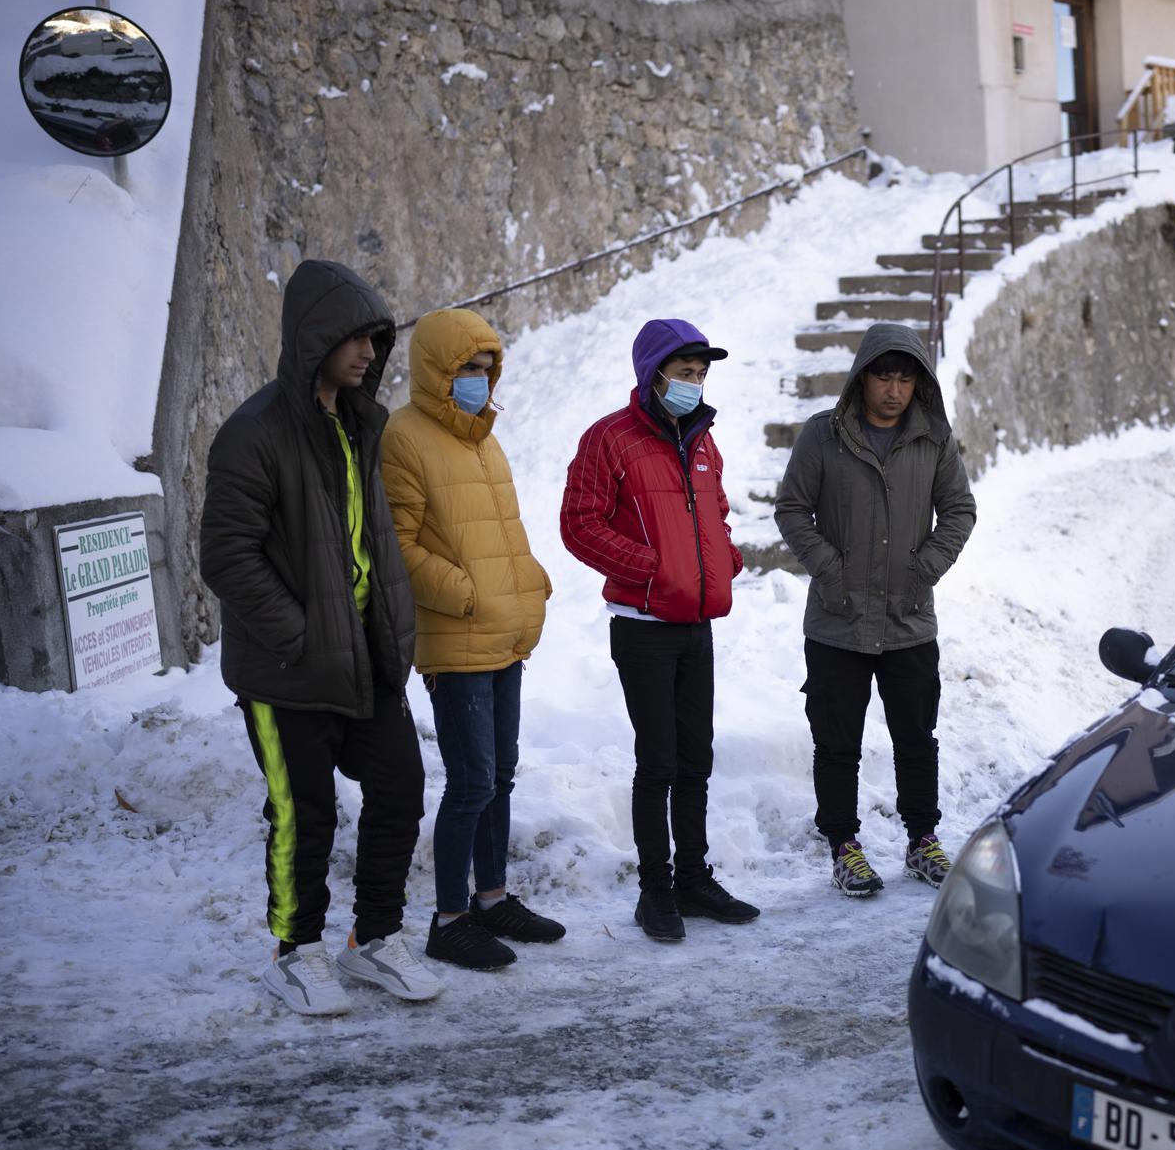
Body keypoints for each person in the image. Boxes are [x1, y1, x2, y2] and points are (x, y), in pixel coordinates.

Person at [200, 258, 443, 1016]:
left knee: (400, 786)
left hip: (366, 659)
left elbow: (370, 538)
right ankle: (294, 950)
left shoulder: (362, 425)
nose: (370, 351)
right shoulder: (254, 432)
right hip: (287, 669)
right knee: (304, 813)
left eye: (376, 338)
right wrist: (299, 634)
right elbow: (225, 556)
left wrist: (388, 632)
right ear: (314, 339)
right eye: (355, 337)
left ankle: (375, 939)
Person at [560, 318, 757, 942]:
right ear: (654, 374)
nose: (694, 385)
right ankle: (655, 890)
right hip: (643, 626)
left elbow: (715, 511)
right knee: (660, 761)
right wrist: (650, 567)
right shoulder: (609, 440)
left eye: (701, 375)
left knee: (697, 757)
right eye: (684, 373)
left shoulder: (703, 442)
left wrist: (723, 556)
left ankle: (695, 879)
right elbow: (579, 524)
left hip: (697, 622)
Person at [382, 308, 566, 971]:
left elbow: (502, 534)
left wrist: (528, 582)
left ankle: (493, 897)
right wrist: (466, 594)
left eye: (486, 369)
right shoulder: (403, 437)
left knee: (502, 776)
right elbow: (397, 546)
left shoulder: (485, 439)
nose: (478, 381)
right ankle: (449, 917)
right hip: (456, 638)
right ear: (437, 371)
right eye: (466, 369)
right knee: (471, 781)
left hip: (503, 636)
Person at [774, 323, 977, 897]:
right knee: (836, 740)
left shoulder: (934, 439)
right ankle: (843, 845)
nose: (894, 389)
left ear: (919, 383)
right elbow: (792, 509)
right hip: (837, 621)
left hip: (908, 620)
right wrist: (830, 571)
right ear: (863, 378)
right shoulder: (823, 436)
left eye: (905, 378)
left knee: (917, 736)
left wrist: (924, 571)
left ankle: (922, 840)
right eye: (884, 376)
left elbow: (959, 511)